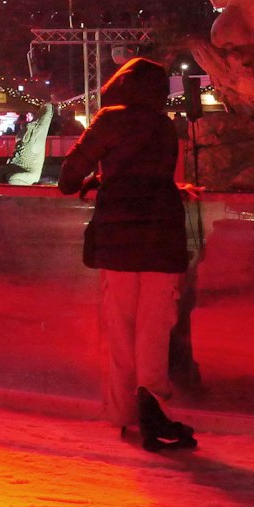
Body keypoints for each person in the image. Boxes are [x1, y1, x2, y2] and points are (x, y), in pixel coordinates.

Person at [59, 57, 197, 453]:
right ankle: (155, 414)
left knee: (120, 330)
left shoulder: (107, 120)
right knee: (155, 330)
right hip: (161, 235)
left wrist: (99, 176)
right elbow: (157, 175)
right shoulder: (164, 126)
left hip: (118, 242)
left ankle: (122, 413)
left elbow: (67, 179)